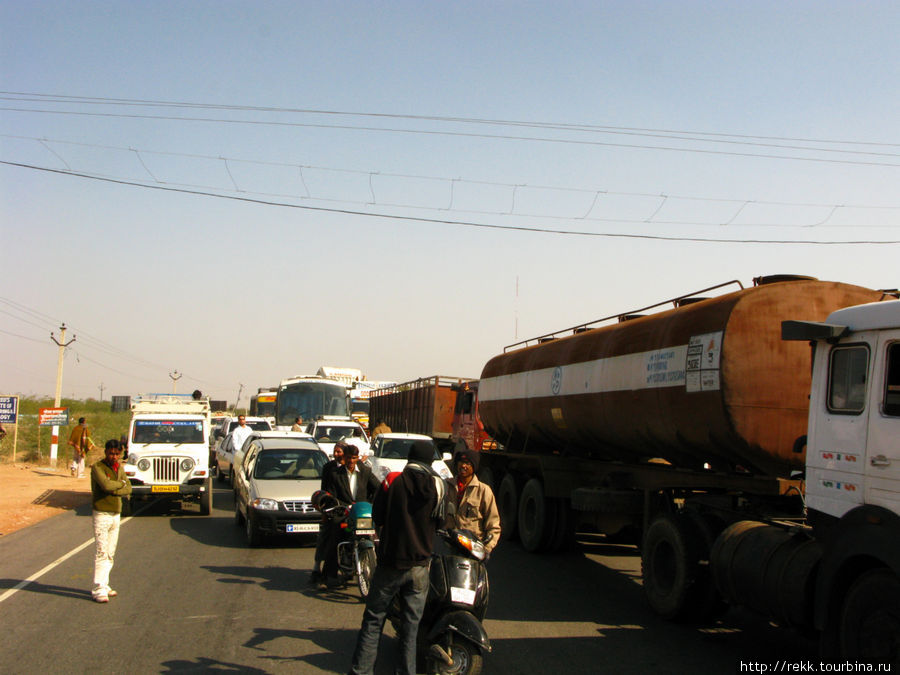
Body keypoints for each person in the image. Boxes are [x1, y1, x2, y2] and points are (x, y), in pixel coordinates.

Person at [348, 439, 449, 675]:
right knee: (410, 629)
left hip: (390, 563)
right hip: (419, 568)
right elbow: (442, 523)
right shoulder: (438, 485)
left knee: (373, 621)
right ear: (428, 461)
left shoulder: (393, 480)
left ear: (410, 459)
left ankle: (361, 671)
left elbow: (378, 516)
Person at [320, 444, 380, 587]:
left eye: (354, 458)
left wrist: (371, 504)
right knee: (335, 538)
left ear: (357, 458)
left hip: (362, 514)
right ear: (344, 458)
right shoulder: (336, 474)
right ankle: (329, 575)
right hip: (343, 514)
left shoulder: (365, 471)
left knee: (376, 538)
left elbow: (377, 488)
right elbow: (330, 495)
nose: (351, 461)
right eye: (348, 458)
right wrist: (339, 506)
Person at [90, 439, 132, 603]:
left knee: (110, 552)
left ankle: (105, 583)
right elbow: (106, 486)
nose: (113, 456)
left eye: (117, 454)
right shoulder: (97, 467)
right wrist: (119, 485)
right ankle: (98, 588)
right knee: (101, 552)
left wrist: (118, 486)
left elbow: (128, 487)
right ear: (106, 452)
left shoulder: (119, 468)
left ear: (120, 454)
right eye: (111, 453)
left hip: (116, 513)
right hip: (101, 513)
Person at [309, 442, 346, 586]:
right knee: (325, 536)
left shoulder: (354, 469)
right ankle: (317, 568)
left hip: (349, 509)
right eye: (335, 452)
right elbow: (324, 489)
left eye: (339, 452)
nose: (336, 454)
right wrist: (325, 509)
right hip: (332, 508)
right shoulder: (328, 468)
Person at [450, 449, 501, 553]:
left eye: (468, 463)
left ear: (474, 466)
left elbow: (494, 526)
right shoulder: (447, 486)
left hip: (474, 551)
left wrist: (485, 550)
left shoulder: (484, 491)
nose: (463, 466)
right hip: (450, 547)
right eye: (461, 462)